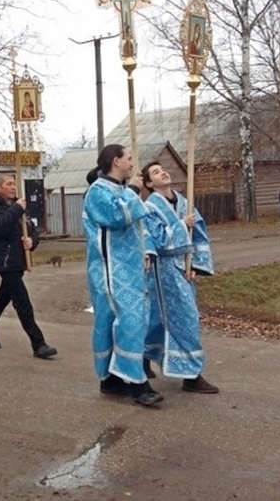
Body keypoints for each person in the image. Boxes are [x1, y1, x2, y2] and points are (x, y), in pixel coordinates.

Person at [83, 144, 163, 406]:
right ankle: (137, 383)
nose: (132, 164)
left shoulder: (119, 190)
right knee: (131, 321)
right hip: (110, 269)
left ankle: (110, 379)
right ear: (116, 161)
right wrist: (132, 192)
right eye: (129, 159)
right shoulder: (98, 191)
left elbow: (138, 226)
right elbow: (116, 216)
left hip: (129, 267)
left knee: (110, 321)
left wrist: (146, 251)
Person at [141, 161, 219, 393]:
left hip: (183, 271)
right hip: (162, 271)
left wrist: (196, 266)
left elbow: (200, 236)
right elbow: (159, 241)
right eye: (156, 172)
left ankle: (144, 354)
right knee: (182, 318)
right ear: (148, 183)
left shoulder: (186, 203)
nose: (163, 172)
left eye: (162, 169)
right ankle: (191, 376)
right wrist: (181, 225)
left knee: (169, 318)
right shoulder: (149, 208)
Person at [0, 175, 57, 359]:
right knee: (22, 302)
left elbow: (31, 229)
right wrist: (17, 208)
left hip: (17, 260)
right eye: (8, 184)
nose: (12, 187)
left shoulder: (18, 207)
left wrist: (31, 241)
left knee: (2, 299)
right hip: (5, 261)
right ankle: (39, 343)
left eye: (13, 183)